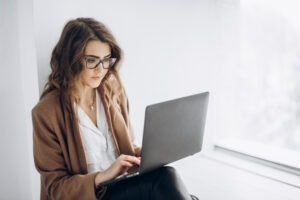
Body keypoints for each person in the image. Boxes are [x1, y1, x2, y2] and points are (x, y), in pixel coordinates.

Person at [32, 17, 198, 200]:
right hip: (94, 195)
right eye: (92, 60)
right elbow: (55, 188)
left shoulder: (113, 91)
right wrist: (102, 176)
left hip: (123, 184)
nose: (101, 69)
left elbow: (124, 148)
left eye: (106, 60)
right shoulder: (46, 112)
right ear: (71, 59)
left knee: (167, 177)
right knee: (166, 179)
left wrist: (148, 154)